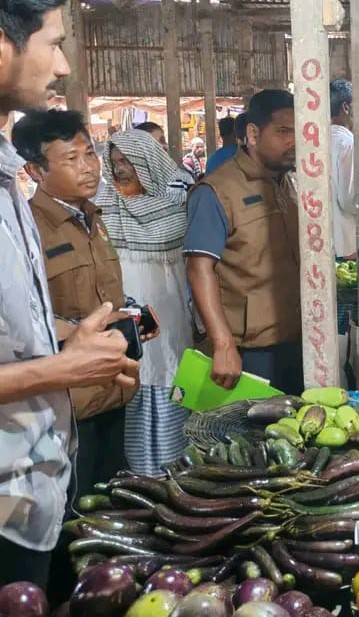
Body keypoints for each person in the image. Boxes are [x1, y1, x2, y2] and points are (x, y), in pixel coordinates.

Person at [0, 0, 138, 588]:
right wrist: (63, 367)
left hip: (35, 476)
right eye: (54, 44)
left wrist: (71, 337)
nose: (62, 66)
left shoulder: (8, 186)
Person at [15, 109, 143, 500]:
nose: (89, 167)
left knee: (111, 501)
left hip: (111, 390)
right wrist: (77, 332)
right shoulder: (26, 230)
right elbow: (20, 319)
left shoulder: (92, 218)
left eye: (90, 153)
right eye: (71, 159)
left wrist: (125, 318)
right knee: (71, 508)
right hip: (65, 403)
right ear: (35, 171)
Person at [185, 89, 303, 394]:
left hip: (296, 338)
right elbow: (199, 269)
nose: (294, 141)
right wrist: (223, 343)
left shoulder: (289, 184)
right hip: (249, 350)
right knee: (247, 425)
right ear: (252, 134)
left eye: (299, 130)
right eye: (283, 131)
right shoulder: (217, 191)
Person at [96, 128, 195, 476]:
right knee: (133, 373)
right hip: (123, 310)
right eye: (115, 162)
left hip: (168, 307)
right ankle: (139, 473)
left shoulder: (177, 201)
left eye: (128, 161)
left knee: (169, 371)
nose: (121, 169)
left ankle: (174, 468)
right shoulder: (102, 203)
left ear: (149, 160)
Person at [329, 78, 359, 259]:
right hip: (346, 243)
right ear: (346, 107)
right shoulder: (347, 142)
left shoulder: (316, 142)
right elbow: (348, 200)